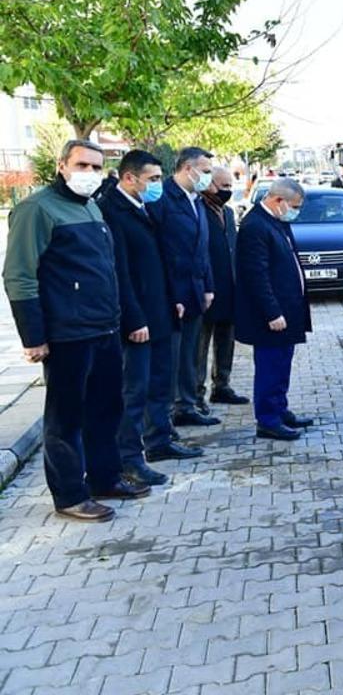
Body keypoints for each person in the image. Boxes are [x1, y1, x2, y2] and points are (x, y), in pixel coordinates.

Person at [3, 139, 149, 521]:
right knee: (66, 417)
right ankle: (69, 495)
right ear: (61, 166)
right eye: (82, 165)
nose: (90, 174)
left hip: (103, 328)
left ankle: (104, 478)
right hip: (67, 333)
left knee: (106, 408)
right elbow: (19, 275)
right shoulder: (36, 209)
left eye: (97, 167)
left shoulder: (90, 207)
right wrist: (33, 337)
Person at [100, 150, 204, 479]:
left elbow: (162, 260)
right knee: (135, 390)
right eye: (153, 179)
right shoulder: (112, 212)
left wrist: (174, 299)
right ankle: (130, 459)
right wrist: (133, 319)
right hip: (138, 320)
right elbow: (121, 272)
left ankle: (159, 439)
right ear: (129, 178)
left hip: (161, 312)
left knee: (161, 382)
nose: (159, 185)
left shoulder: (144, 207)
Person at [235, 178, 313, 440]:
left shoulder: (276, 221)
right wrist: (272, 312)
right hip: (272, 315)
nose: (295, 211)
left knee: (281, 365)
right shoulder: (255, 225)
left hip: (288, 310)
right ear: (278, 200)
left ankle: (280, 410)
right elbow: (255, 274)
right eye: (294, 206)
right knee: (270, 367)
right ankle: (267, 419)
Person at [148, 146, 219, 429]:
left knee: (190, 353)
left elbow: (203, 248)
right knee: (171, 357)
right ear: (187, 169)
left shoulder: (196, 199)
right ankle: (165, 415)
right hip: (172, 292)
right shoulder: (163, 198)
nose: (208, 178)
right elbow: (160, 251)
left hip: (196, 289)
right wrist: (169, 294)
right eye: (205, 171)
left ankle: (186, 405)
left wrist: (208, 285)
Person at [196, 165, 248, 409]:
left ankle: (222, 385)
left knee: (226, 339)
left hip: (229, 287)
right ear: (209, 184)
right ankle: (196, 394)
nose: (228, 190)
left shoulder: (227, 212)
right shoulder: (197, 209)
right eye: (223, 185)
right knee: (200, 345)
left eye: (230, 185)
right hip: (205, 289)